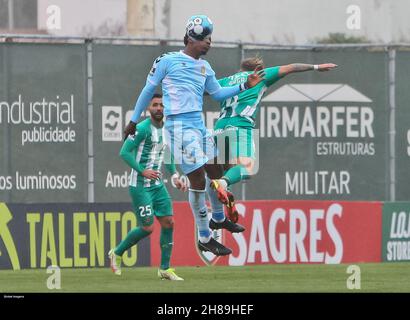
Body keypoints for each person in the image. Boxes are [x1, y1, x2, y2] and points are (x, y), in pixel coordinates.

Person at [123, 15, 264, 256]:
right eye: (205, 39)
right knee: (198, 179)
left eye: (210, 38)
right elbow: (148, 89)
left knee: (216, 171)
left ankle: (218, 219)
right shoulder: (167, 61)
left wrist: (244, 86)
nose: (209, 42)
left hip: (198, 125)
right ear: (191, 39)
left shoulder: (205, 68)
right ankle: (204, 236)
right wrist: (134, 120)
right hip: (178, 128)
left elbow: (218, 94)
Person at [211, 56, 338, 221]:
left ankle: (225, 193)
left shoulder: (226, 80)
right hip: (240, 127)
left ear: (241, 68)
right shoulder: (261, 75)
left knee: (231, 168)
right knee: (248, 168)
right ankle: (223, 185)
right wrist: (316, 66)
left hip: (219, 129)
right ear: (258, 68)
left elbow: (204, 89)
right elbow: (291, 66)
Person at [109, 93, 187, 281]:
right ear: (148, 109)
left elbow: (166, 155)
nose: (159, 108)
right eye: (155, 105)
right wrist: (143, 171)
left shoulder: (167, 129)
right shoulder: (141, 128)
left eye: (161, 105)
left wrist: (175, 175)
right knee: (148, 228)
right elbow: (124, 152)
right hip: (140, 185)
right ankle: (117, 253)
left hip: (157, 185)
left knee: (169, 222)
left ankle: (165, 269)